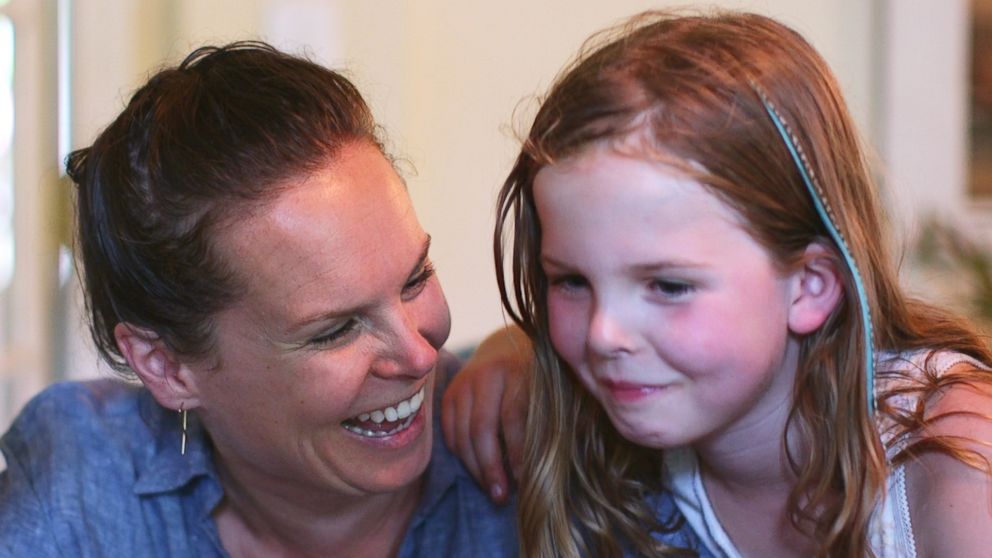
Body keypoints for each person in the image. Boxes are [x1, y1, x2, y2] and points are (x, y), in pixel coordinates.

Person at [447, 9, 992, 558]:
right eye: (571, 281)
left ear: (808, 285)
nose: (602, 334)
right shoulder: (622, 429)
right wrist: (511, 344)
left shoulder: (961, 466)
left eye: (667, 286)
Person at [0, 41, 519, 557]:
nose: (421, 355)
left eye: (415, 278)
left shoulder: (526, 426)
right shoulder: (78, 492)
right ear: (167, 366)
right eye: (336, 330)